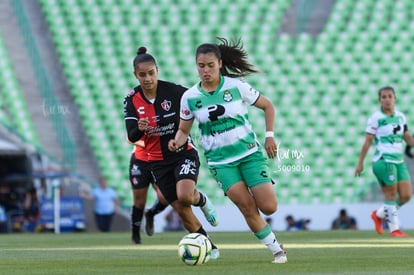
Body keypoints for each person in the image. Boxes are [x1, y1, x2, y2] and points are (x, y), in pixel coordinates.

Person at [168, 37, 287, 264]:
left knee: (269, 206)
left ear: (220, 64)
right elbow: (183, 131)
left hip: (249, 154)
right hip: (221, 163)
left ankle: (261, 186)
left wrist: (269, 137)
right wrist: (177, 141)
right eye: (201, 66)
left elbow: (267, 105)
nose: (205, 71)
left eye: (210, 65)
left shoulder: (236, 86)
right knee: (246, 207)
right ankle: (277, 250)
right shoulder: (190, 97)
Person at [124, 47, 220, 259]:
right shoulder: (131, 99)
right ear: (135, 75)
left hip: (182, 153)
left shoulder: (175, 92)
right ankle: (209, 246)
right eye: (142, 74)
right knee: (181, 209)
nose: (148, 78)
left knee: (185, 196)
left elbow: (198, 102)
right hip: (156, 162)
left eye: (151, 73)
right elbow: (131, 136)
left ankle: (201, 199)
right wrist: (139, 127)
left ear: (157, 70)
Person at [355, 86, 414, 237]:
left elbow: (407, 137)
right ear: (380, 100)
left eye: (390, 96)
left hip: (398, 161)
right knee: (391, 194)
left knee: (406, 195)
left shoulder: (401, 117)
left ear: (395, 98)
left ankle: (379, 215)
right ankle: (394, 229)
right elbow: (368, 141)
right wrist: (360, 162)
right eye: (384, 97)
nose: (387, 99)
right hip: (384, 160)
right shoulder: (376, 118)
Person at [127, 139, 168, 244]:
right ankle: (135, 235)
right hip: (140, 161)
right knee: (139, 202)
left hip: (158, 160)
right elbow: (130, 138)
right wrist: (149, 144)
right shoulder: (140, 121)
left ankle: (150, 213)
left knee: (165, 196)